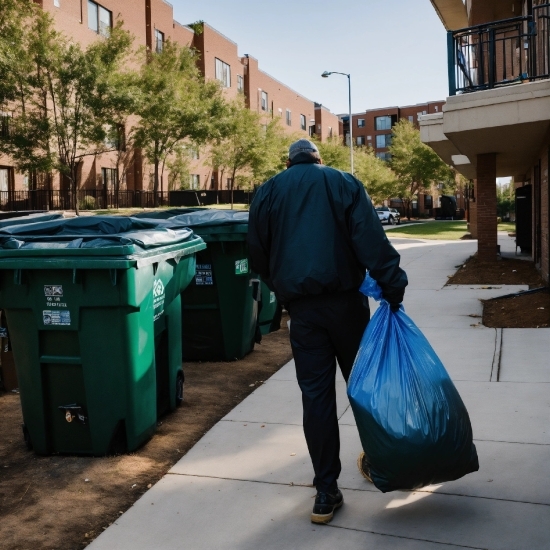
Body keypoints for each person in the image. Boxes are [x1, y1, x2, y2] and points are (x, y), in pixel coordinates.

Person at [247, 139, 407, 524]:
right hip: (347, 304)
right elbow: (370, 239)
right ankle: (383, 462)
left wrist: (283, 289)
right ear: (319, 159)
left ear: (288, 162)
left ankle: (325, 491)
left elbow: (257, 254)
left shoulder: (268, 192)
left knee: (316, 398)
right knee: (364, 387)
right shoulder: (343, 182)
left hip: (303, 311)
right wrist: (393, 285)